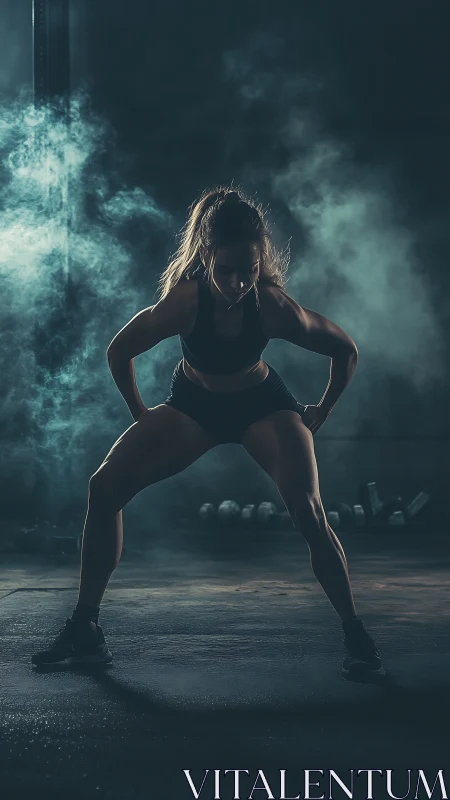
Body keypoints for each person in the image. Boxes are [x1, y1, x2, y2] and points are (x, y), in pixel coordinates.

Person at [32, 185, 384, 677]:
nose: (239, 282)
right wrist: (141, 413)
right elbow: (119, 350)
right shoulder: (184, 302)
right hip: (194, 407)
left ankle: (357, 638)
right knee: (104, 488)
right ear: (205, 256)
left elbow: (344, 349)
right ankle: (86, 629)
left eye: (251, 270)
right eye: (227, 271)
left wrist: (323, 408)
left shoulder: (273, 306)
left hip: (263, 406)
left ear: (261, 263)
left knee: (307, 510)